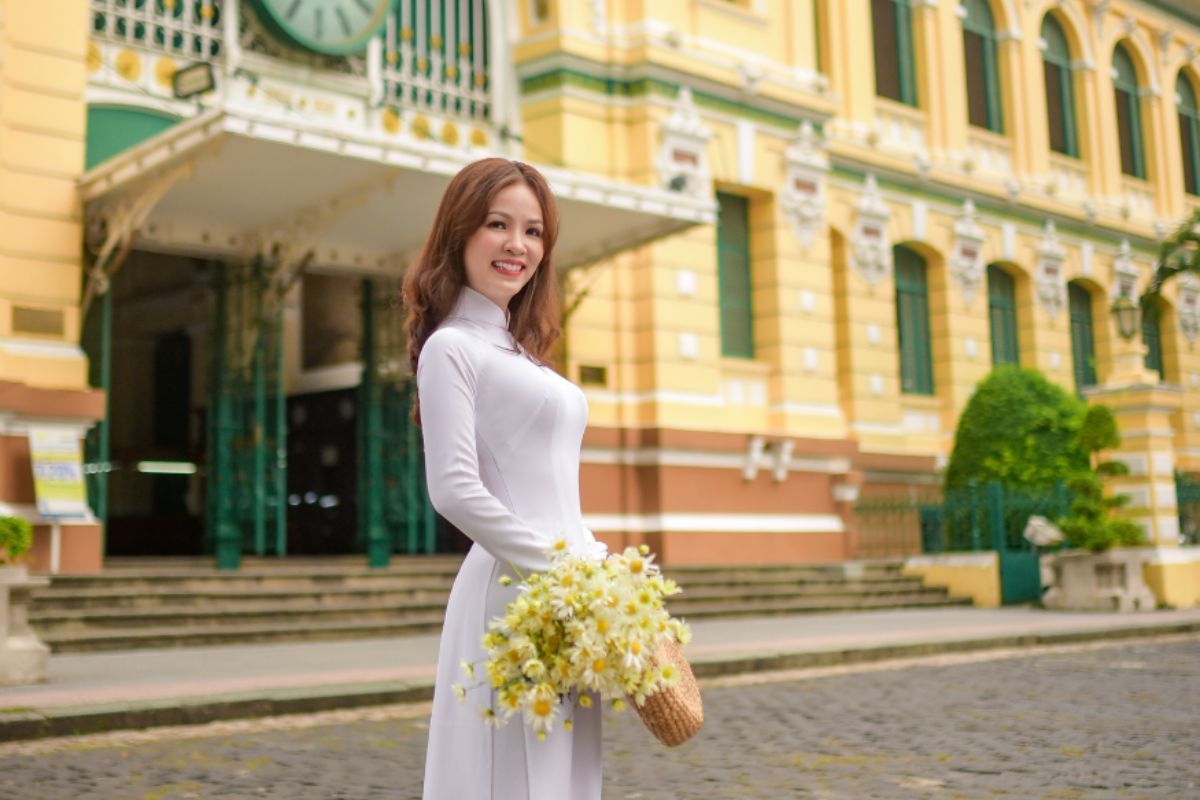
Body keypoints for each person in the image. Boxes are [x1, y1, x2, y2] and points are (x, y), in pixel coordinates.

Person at [405, 158, 605, 799]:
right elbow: (454, 489)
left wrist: (596, 567)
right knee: (515, 774)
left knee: (562, 770)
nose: (518, 245)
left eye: (534, 231)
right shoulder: (452, 347)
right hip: (516, 590)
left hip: (568, 593)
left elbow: (553, 487)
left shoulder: (521, 354)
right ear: (459, 233)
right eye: (498, 224)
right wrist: (564, 572)